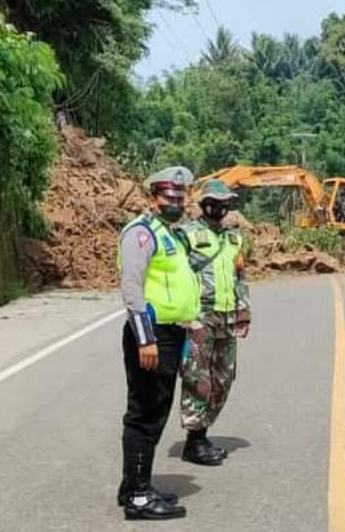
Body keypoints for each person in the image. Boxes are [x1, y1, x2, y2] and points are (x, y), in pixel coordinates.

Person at [116, 167, 200, 520]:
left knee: (157, 409)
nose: (176, 203)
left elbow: (178, 284)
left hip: (171, 334)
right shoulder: (141, 234)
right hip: (151, 335)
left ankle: (135, 485)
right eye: (169, 197)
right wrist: (146, 338)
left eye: (181, 198)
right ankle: (137, 496)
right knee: (145, 414)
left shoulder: (171, 234)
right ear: (154, 198)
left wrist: (189, 324)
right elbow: (132, 288)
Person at [176, 179, 252, 466]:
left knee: (223, 378)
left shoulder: (234, 238)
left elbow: (240, 276)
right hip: (199, 318)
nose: (218, 207)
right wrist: (183, 317)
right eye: (213, 201)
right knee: (198, 378)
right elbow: (176, 275)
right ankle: (194, 440)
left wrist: (244, 311)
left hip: (228, 317)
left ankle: (203, 432)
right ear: (203, 203)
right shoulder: (186, 234)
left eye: (224, 202)